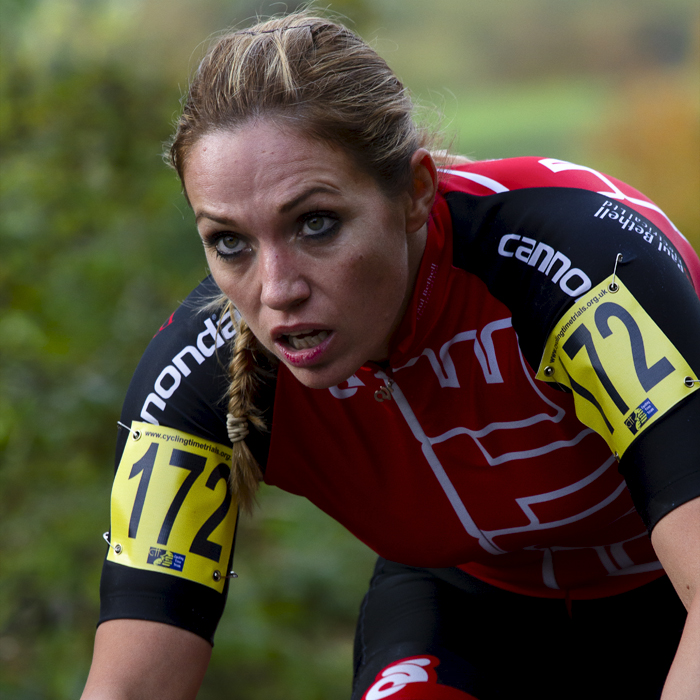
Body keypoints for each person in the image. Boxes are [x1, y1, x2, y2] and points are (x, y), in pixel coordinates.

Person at [81, 11, 700, 700]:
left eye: (316, 224)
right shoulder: (194, 375)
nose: (277, 290)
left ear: (416, 193)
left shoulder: (577, 267)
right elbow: (129, 688)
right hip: (466, 604)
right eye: (230, 243)